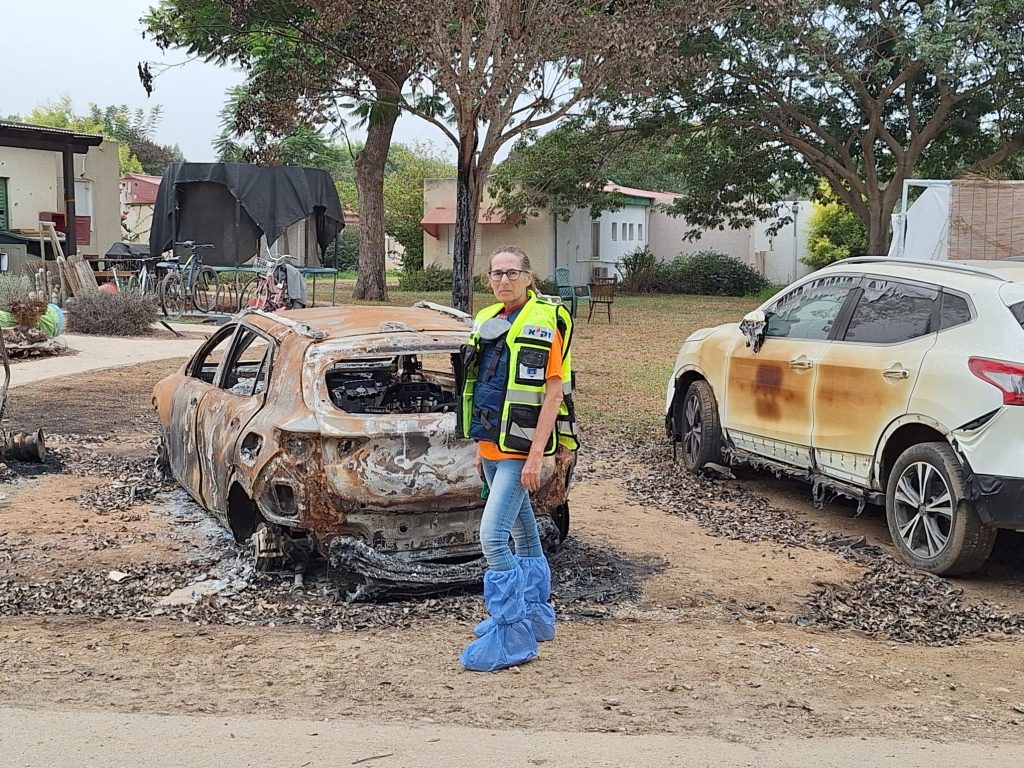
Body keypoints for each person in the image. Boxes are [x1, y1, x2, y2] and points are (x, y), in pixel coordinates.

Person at [458, 245, 579, 672]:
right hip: (490, 449)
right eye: (496, 274)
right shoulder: (486, 320)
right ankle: (534, 616)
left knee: (493, 538)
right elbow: (483, 389)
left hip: (517, 454)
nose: (504, 280)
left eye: (512, 272)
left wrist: (535, 457)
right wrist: (478, 448)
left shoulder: (546, 323)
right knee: (525, 537)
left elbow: (552, 394)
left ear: (529, 277)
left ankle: (510, 633)